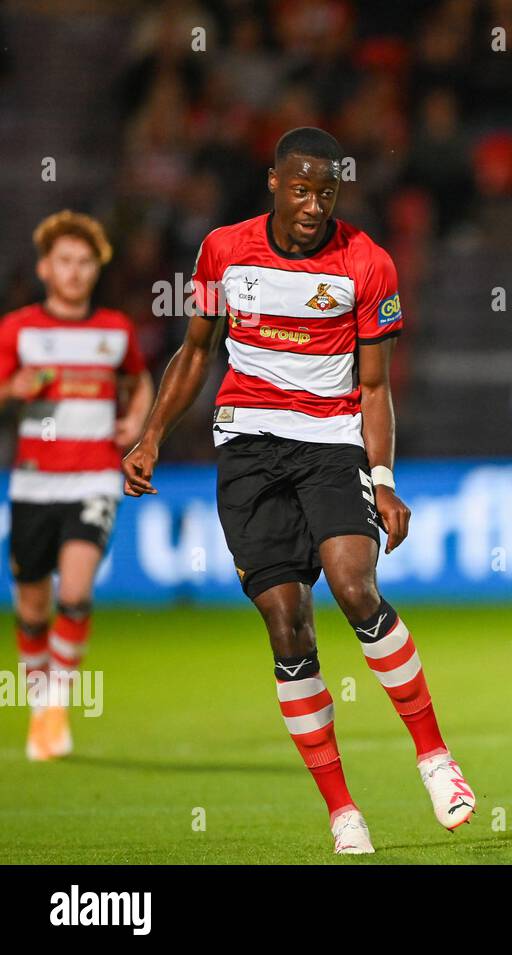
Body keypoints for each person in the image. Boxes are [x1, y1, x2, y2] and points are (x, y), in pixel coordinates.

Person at [121, 127, 475, 854]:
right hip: (247, 450)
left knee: (355, 586)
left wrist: (382, 479)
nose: (315, 205)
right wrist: (153, 432)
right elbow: (195, 351)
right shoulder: (223, 249)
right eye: (302, 189)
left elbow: (373, 387)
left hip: (330, 444)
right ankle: (343, 808)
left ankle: (435, 756)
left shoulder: (367, 262)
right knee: (288, 626)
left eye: (327, 192)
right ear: (275, 185)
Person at [0, 211, 153, 761]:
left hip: (93, 478)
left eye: (85, 261)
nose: (74, 271)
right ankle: (41, 704)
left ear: (96, 269)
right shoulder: (18, 330)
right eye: (64, 260)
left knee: (75, 594)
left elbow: (140, 381)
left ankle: (56, 705)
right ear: (45, 267)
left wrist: (136, 420)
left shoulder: (114, 331)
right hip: (33, 484)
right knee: (33, 606)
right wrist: (13, 389)